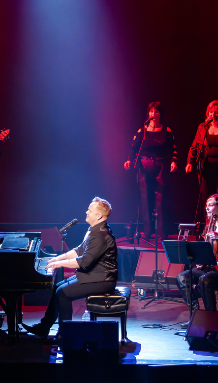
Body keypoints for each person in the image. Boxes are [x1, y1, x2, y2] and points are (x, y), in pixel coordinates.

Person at [33, 198, 121, 338]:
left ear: (98, 216)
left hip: (103, 280)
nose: (86, 212)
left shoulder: (101, 235)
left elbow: (84, 262)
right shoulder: (94, 230)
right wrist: (58, 258)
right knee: (58, 287)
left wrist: (60, 264)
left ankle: (66, 334)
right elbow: (79, 250)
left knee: (63, 293)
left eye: (90, 210)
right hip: (93, 275)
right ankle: (45, 326)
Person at [124, 102, 179, 241]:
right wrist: (129, 160)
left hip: (160, 165)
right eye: (151, 111)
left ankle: (162, 232)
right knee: (145, 199)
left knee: (161, 199)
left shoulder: (167, 130)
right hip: (144, 166)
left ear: (160, 114)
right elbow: (134, 148)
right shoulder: (142, 130)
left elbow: (173, 148)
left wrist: (173, 161)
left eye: (156, 112)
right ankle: (147, 232)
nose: (153, 114)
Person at [179, 194, 218, 312]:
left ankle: (211, 317)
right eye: (206, 206)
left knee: (205, 279)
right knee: (182, 277)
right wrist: (200, 260)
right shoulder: (209, 227)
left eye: (210, 205)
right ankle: (194, 314)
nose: (207, 208)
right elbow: (206, 249)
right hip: (210, 268)